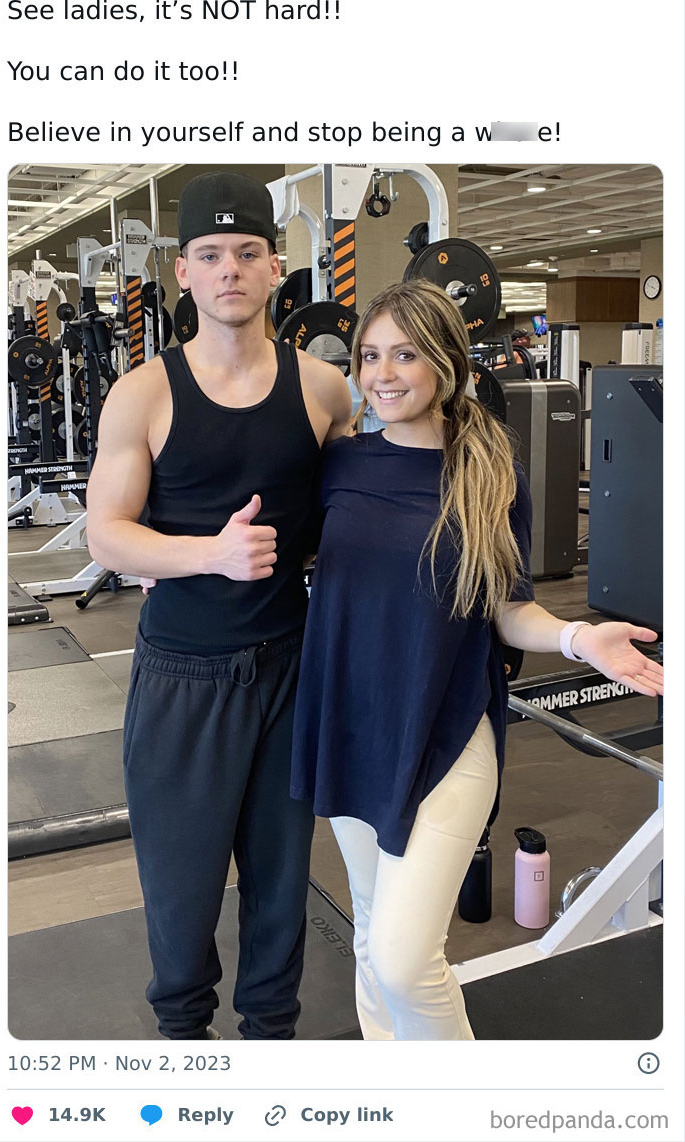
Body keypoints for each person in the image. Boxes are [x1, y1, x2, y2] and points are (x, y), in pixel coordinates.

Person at [290, 278, 663, 1042]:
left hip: (448, 730)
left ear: (446, 363)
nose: (383, 373)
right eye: (370, 355)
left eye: (405, 354)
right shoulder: (339, 464)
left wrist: (577, 637)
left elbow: (508, 608)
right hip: (350, 727)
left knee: (404, 961)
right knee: (371, 934)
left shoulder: (487, 475)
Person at [87, 172, 352, 1040]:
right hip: (183, 678)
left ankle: (270, 1044)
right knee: (181, 893)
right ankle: (185, 1048)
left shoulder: (325, 390)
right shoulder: (144, 393)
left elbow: (351, 513)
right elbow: (107, 535)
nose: (229, 269)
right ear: (184, 272)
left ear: (276, 267)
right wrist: (209, 554)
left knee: (281, 889)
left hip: (288, 670)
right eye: (209, 254)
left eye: (246, 252)